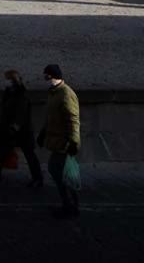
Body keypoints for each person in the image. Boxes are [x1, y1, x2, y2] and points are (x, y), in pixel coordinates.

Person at [0, 69, 42, 187]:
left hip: (20, 132)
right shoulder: (11, 94)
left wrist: (13, 128)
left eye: (9, 80)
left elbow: (21, 115)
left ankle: (38, 178)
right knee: (2, 152)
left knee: (29, 154)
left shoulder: (20, 96)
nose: (7, 83)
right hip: (11, 131)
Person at [37, 63, 81, 217]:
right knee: (60, 172)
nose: (44, 77)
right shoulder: (54, 93)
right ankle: (71, 205)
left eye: (46, 74)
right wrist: (43, 133)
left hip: (64, 142)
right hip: (57, 141)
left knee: (57, 171)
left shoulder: (65, 94)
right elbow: (51, 117)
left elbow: (73, 120)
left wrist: (74, 142)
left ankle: (70, 206)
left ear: (51, 75)